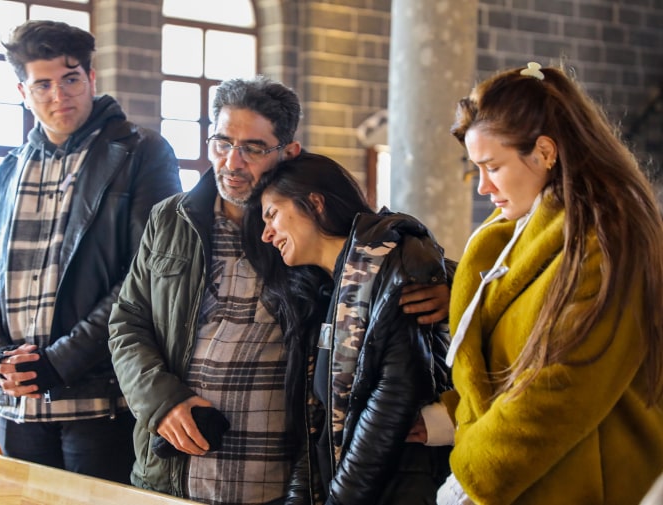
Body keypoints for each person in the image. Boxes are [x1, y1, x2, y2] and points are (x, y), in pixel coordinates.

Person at [108, 76, 450, 504]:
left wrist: (445, 286)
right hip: (176, 467)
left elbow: (382, 250)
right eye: (221, 141)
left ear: (288, 152)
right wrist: (161, 402)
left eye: (252, 148)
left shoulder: (301, 221)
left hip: (276, 474)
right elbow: (127, 322)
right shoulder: (170, 219)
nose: (232, 161)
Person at [0, 20, 181, 484]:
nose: (59, 96)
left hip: (101, 398)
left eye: (71, 79)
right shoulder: (6, 172)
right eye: (43, 84)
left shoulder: (141, 153)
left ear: (91, 78)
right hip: (18, 403)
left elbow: (146, 277)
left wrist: (58, 362)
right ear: (23, 90)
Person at [434, 62, 663, 504]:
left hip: (586, 483)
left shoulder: (609, 239)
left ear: (544, 152)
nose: (482, 187)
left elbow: (565, 387)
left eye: (493, 166)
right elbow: (508, 359)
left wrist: (474, 473)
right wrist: (447, 418)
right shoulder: (521, 232)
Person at [242, 152, 453, 505]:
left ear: (314, 203)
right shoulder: (326, 293)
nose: (266, 234)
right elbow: (317, 426)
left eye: (272, 215)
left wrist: (340, 500)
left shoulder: (391, 265)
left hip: (399, 489)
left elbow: (394, 395)